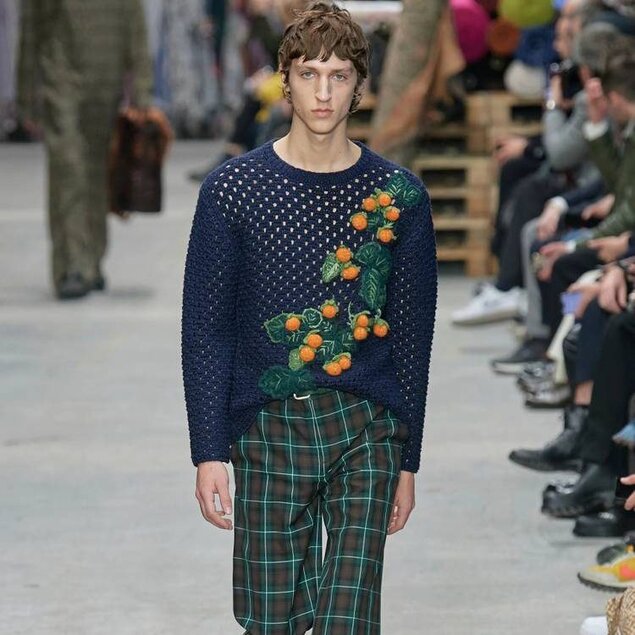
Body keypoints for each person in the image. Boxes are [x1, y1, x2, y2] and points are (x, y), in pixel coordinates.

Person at [181, 3, 437, 633]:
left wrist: (409, 460)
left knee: (349, 617)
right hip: (268, 425)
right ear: (285, 81)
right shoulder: (233, 190)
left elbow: (412, 337)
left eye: (339, 75)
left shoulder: (399, 197)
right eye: (309, 74)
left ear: (359, 85)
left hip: (367, 426)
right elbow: (207, 329)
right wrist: (208, 450)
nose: (323, 92)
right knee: (270, 619)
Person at [16, 0, 152, 300]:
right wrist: (25, 94)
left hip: (106, 79)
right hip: (60, 76)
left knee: (97, 170)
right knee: (68, 166)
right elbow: (31, 27)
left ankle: (91, 258)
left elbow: (134, 21)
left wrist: (142, 87)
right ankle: (71, 266)